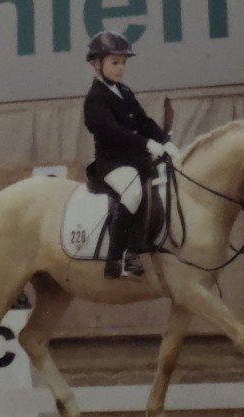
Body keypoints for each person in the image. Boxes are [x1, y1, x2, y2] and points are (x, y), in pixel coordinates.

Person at [83, 31, 179, 280]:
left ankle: (142, 246)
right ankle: (116, 258)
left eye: (123, 63)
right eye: (115, 63)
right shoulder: (95, 98)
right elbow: (112, 132)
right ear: (97, 63)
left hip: (136, 159)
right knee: (133, 192)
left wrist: (165, 141)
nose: (120, 68)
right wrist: (147, 143)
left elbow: (143, 121)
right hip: (112, 162)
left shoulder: (124, 92)